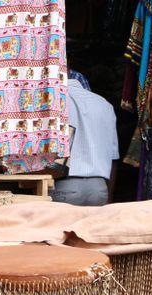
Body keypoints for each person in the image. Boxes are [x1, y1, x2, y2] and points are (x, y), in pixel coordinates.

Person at [51, 77, 119, 206]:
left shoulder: (53, 101)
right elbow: (113, 158)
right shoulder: (105, 105)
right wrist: (109, 198)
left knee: (63, 226)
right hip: (99, 188)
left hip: (64, 186)